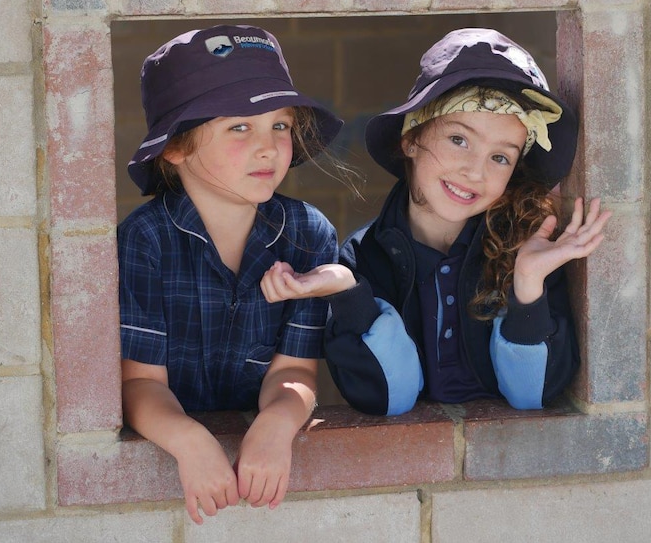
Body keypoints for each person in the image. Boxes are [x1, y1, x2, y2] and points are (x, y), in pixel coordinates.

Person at [260, 28, 611, 416]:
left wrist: (527, 285)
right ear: (410, 139)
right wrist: (350, 296)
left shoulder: (526, 251)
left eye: (500, 158)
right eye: (459, 140)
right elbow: (388, 399)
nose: (474, 171)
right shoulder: (364, 256)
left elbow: (533, 396)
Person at [118, 24, 344, 524]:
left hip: (258, 474)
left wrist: (277, 424)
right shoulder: (145, 238)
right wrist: (189, 440)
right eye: (240, 127)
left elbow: (294, 371)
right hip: (177, 458)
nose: (268, 147)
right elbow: (139, 382)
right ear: (174, 148)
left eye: (279, 126)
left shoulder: (308, 232)